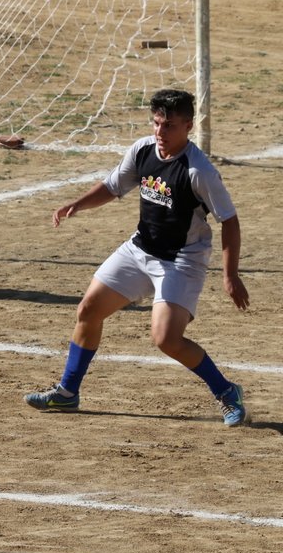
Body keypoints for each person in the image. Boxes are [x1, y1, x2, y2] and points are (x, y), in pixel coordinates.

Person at [24, 89, 251, 427]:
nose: (160, 131)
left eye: (169, 125)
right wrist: (77, 205)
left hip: (181, 260)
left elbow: (229, 221)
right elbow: (113, 186)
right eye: (157, 123)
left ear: (188, 126)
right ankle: (67, 392)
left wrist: (230, 275)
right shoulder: (143, 150)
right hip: (140, 249)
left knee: (166, 339)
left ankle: (227, 391)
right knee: (88, 310)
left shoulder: (198, 171)